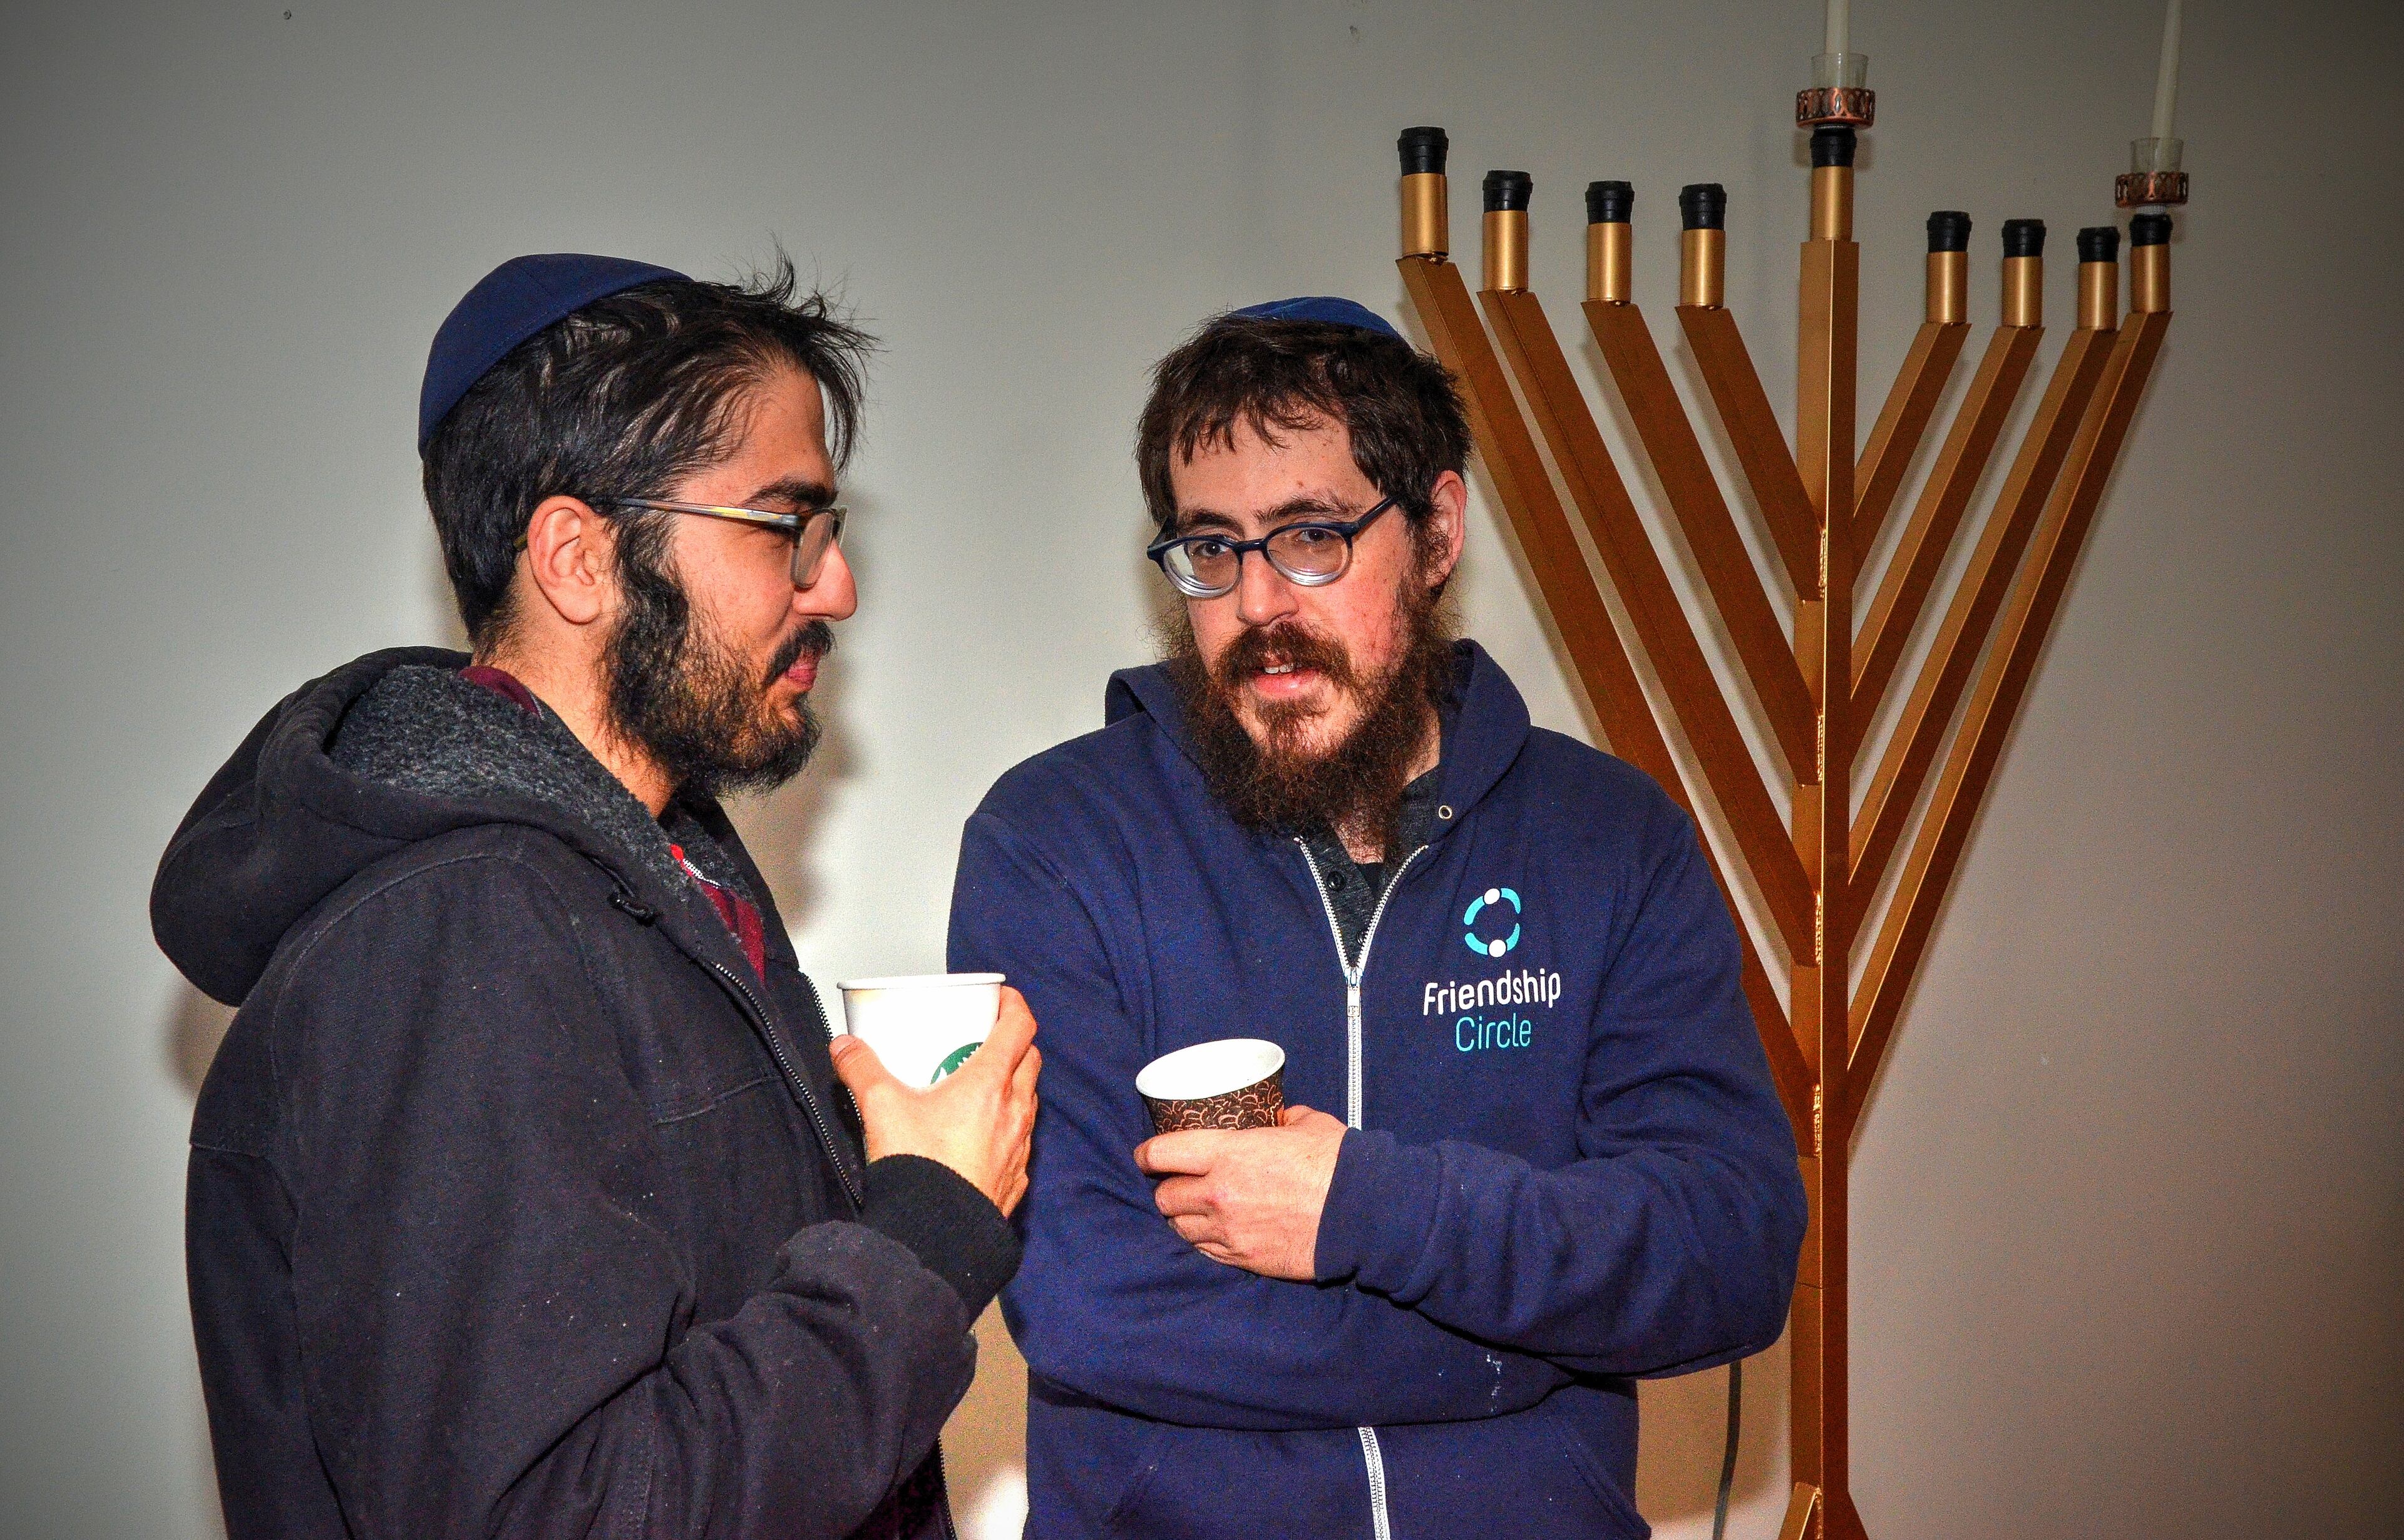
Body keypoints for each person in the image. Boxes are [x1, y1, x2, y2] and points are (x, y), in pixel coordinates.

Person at [155, 253, 1040, 1540]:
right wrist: (923, 1237)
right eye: (785, 524)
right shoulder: (455, 937)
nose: (836, 586)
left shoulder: (652, 881)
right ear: (578, 557)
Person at [948, 297, 1806, 1537]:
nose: (1258, 603)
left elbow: (1728, 1252)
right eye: (1211, 549)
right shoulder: (1057, 841)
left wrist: (1371, 1211)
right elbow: (1085, 1302)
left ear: (1438, 531)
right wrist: (1529, 1347)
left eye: (1312, 538)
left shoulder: (1611, 838)